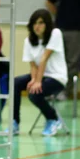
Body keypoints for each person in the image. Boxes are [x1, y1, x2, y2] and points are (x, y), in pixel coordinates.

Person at [11, 9, 68, 137]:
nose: (37, 26)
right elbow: (33, 65)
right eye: (34, 23)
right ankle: (14, 122)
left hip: (57, 78)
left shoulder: (55, 33)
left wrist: (37, 82)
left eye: (41, 23)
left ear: (47, 24)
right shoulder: (28, 41)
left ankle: (53, 119)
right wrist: (33, 79)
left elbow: (44, 59)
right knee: (15, 83)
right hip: (40, 76)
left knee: (34, 94)